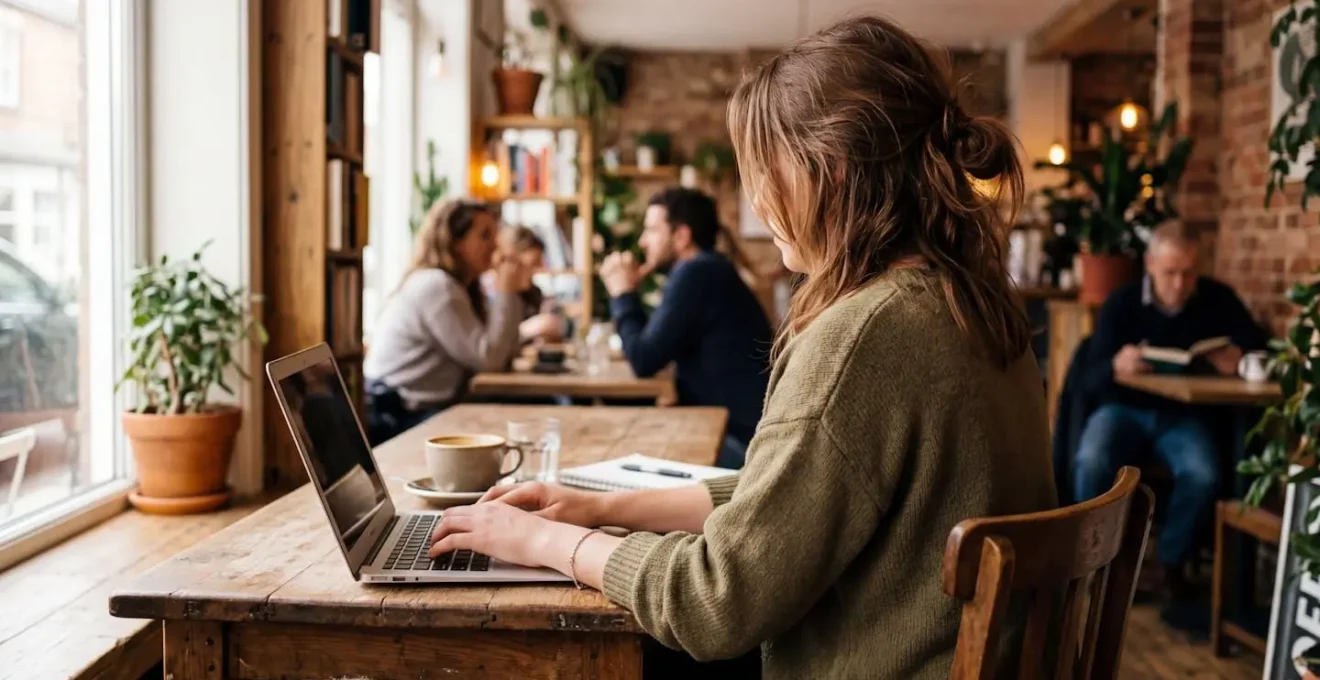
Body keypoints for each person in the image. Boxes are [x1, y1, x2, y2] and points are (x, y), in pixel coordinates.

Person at [425, 16, 1057, 679]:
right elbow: (786, 501)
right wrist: (598, 507)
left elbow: (714, 601)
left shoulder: (867, 335)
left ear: (832, 171)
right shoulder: (972, 303)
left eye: (766, 170)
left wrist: (546, 541)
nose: (756, 196)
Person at [1074, 222, 1268, 596]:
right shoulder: (1122, 303)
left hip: (1183, 415)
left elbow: (1256, 348)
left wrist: (1239, 359)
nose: (1180, 284)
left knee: (1204, 474)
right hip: (1122, 408)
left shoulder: (1218, 298)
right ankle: (1088, 560)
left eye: (1189, 273)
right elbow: (1088, 378)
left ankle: (1169, 565)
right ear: (1149, 264)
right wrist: (1116, 365)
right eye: (1170, 273)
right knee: (1091, 460)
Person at [598, 187, 773, 468]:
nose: (643, 242)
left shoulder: (697, 273)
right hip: (734, 431)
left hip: (740, 446)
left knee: (616, 448)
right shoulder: (708, 270)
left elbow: (643, 359)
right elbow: (652, 346)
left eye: (652, 230)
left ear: (681, 236)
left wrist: (622, 294)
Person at [363, 200, 530, 444]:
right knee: (511, 429)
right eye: (485, 235)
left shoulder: (460, 287)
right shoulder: (437, 286)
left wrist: (511, 293)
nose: (495, 245)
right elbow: (490, 360)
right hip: (397, 414)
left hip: (421, 407)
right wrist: (506, 291)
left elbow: (502, 354)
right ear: (455, 241)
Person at [492, 225, 565, 344]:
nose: (535, 272)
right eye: (532, 264)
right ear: (510, 258)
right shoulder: (488, 293)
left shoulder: (533, 293)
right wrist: (527, 330)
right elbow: (492, 346)